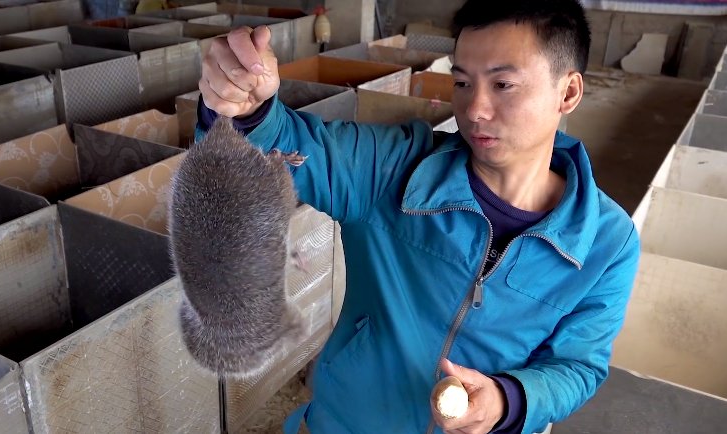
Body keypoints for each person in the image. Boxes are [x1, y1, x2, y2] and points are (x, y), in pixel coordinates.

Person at [196, 0, 641, 432]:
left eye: (503, 85)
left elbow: (577, 365)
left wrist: (509, 400)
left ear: (568, 91)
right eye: (463, 82)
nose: (474, 109)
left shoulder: (607, 243)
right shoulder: (397, 169)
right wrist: (247, 113)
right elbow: (294, 150)